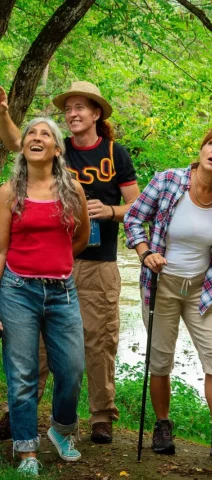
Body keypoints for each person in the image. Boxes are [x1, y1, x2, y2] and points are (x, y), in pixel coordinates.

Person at [0, 82, 140, 443]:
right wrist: (2, 113)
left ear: (96, 114)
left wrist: (109, 211)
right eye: (69, 109)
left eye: (81, 108)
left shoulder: (115, 153)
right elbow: (18, 141)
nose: (73, 114)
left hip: (97, 261)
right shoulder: (55, 150)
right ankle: (21, 417)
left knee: (97, 341)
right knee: (40, 347)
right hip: (47, 266)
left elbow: (138, 208)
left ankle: (101, 416)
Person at [124, 128, 212, 463]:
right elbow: (134, 219)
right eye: (211, 144)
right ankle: (163, 425)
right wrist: (144, 252)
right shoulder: (168, 180)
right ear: (201, 149)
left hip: (202, 288)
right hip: (161, 283)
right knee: (160, 358)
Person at [0, 118, 90, 476]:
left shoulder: (73, 189)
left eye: (45, 134)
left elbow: (82, 237)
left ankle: (60, 429)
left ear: (56, 148)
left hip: (62, 291)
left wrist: (60, 262)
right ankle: (26, 451)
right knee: (22, 374)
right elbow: (1, 250)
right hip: (18, 289)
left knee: (71, 369)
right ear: (24, 147)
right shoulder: (8, 192)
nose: (37, 138)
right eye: (32, 134)